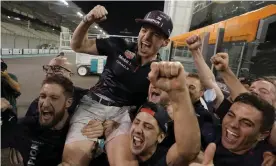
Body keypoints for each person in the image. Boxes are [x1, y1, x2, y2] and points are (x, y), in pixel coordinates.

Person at [63, 5, 173, 166]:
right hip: (92, 105)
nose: (146, 37)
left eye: (155, 34)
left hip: (123, 115)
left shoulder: (161, 71)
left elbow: (158, 106)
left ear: (165, 42)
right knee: (71, 163)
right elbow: (77, 45)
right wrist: (88, 20)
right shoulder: (119, 45)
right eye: (144, 30)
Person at [83, 61, 201, 165]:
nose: (138, 129)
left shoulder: (163, 156)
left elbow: (187, 151)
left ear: (161, 137)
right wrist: (108, 128)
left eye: (148, 127)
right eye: (136, 122)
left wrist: (180, 93)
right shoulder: (132, 108)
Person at [1, 75, 74, 166]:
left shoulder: (78, 135)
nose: (45, 104)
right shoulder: (25, 127)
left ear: (68, 103)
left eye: (54, 98)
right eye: (42, 96)